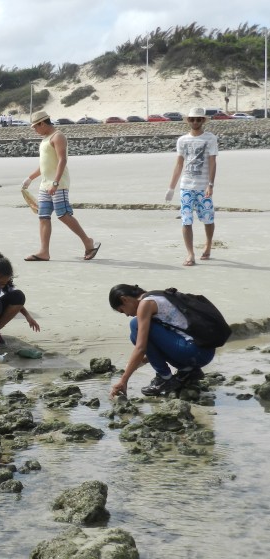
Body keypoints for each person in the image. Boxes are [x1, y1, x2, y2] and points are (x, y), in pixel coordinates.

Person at [108, 283, 214, 397]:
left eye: (122, 310)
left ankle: (165, 378)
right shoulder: (155, 296)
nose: (127, 314)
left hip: (194, 352)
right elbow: (159, 343)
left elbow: (141, 348)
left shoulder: (145, 305)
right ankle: (188, 371)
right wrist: (145, 360)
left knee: (135, 325)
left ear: (124, 299)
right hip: (205, 352)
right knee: (135, 335)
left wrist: (123, 380)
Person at [22, 110, 100, 262]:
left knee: (63, 215)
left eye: (35, 127)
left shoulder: (58, 136)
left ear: (42, 123)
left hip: (59, 184)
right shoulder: (45, 139)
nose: (35, 130)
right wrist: (30, 178)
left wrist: (56, 183)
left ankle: (88, 242)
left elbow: (62, 160)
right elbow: (44, 166)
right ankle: (44, 251)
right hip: (45, 185)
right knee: (43, 216)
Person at [165, 107, 218, 266]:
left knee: (208, 219)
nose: (195, 122)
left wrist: (210, 184)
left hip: (203, 187)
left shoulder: (210, 138)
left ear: (203, 120)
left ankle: (208, 244)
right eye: (192, 119)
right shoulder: (182, 140)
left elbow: (212, 162)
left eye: (198, 119)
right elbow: (179, 164)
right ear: (188, 121)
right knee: (186, 220)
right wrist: (171, 188)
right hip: (186, 186)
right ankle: (190, 253)